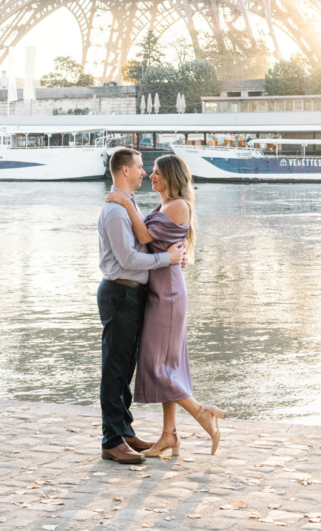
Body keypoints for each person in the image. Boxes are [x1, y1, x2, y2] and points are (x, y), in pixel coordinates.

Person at [105, 152, 226, 458]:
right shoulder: (164, 205)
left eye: (157, 171)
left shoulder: (178, 206)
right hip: (159, 288)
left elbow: (144, 234)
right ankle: (169, 434)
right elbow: (147, 239)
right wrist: (128, 205)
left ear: (171, 176)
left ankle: (201, 412)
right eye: (149, 169)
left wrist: (125, 203)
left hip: (167, 293)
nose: (151, 175)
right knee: (166, 363)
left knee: (156, 365)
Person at [97, 146, 185, 464]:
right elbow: (128, 258)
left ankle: (124, 430)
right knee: (115, 369)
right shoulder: (115, 210)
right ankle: (111, 440)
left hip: (130, 294)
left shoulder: (127, 205)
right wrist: (168, 259)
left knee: (126, 367)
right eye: (139, 166)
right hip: (119, 293)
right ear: (124, 171)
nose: (144, 172)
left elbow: (146, 236)